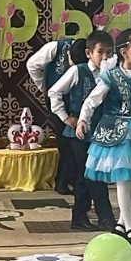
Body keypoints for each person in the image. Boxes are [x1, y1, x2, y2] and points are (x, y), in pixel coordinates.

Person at [76, 28, 131, 247]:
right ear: (124, 51)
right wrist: (82, 119)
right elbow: (92, 100)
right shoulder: (111, 76)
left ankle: (121, 224)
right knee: (124, 178)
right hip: (115, 133)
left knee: (130, 179)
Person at [48, 31, 116, 231]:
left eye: (109, 52)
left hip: (102, 131)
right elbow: (54, 91)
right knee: (89, 173)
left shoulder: (112, 74)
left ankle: (81, 217)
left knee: (93, 174)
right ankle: (104, 216)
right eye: (100, 52)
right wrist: (65, 117)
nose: (104, 57)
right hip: (80, 132)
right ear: (88, 53)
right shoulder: (78, 71)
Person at [26, 38, 77, 195]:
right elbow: (32, 64)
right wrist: (44, 87)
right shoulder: (55, 48)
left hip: (79, 101)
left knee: (78, 142)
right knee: (64, 140)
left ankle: (76, 179)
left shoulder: (94, 52)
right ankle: (62, 180)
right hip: (58, 100)